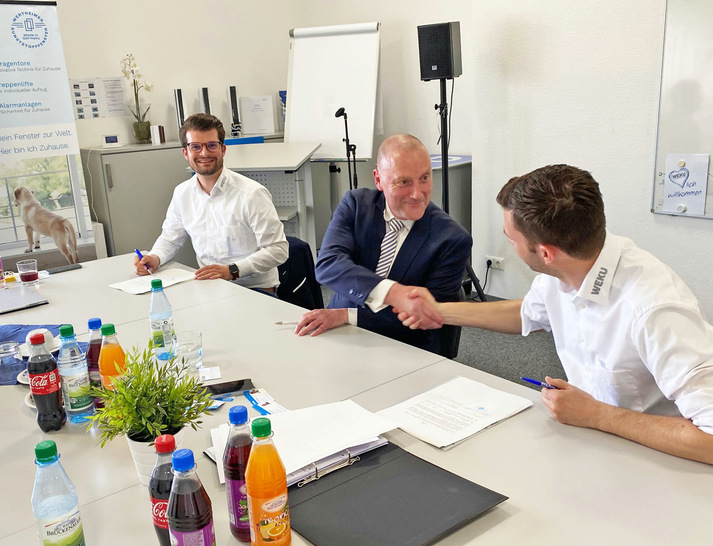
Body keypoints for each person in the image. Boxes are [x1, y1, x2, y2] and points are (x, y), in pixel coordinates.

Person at [396, 164, 713, 464]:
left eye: (511, 239)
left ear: (546, 253)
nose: (510, 246)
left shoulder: (654, 311)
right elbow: (527, 313)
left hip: (664, 458)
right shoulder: (567, 267)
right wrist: (439, 312)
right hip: (594, 443)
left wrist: (596, 414)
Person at [294, 134, 472, 355]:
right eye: (404, 181)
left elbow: (424, 317)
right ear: (378, 180)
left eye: (424, 178)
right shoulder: (356, 205)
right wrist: (393, 293)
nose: (417, 194)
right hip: (336, 332)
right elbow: (329, 265)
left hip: (403, 346)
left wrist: (346, 316)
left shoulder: (451, 239)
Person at [134, 114, 288, 291]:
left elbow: (278, 250)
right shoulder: (182, 193)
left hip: (254, 289)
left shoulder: (251, 194)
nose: (204, 153)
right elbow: (170, 239)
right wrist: (155, 258)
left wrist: (232, 271)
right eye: (196, 147)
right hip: (210, 287)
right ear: (186, 152)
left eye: (212, 145)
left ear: (223, 149)